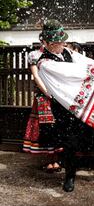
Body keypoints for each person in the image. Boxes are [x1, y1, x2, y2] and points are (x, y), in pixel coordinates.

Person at [37, 20, 94, 192]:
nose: (61, 45)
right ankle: (70, 176)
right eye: (56, 43)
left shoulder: (68, 51)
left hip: (82, 104)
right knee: (70, 143)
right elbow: (72, 73)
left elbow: (86, 63)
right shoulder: (44, 63)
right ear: (46, 43)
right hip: (64, 108)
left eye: (62, 41)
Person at [23, 33, 62, 172]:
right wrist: (47, 93)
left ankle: (56, 160)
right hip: (45, 95)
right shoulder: (34, 55)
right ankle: (51, 160)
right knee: (46, 127)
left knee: (56, 125)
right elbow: (36, 76)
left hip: (57, 94)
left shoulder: (57, 53)